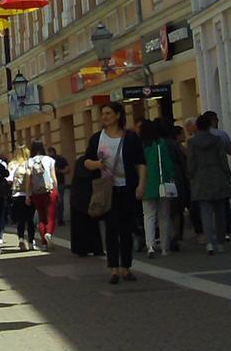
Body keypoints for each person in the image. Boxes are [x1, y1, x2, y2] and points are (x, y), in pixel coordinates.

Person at [84, 102, 146, 283]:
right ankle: (113, 268)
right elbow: (86, 161)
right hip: (106, 190)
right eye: (102, 113)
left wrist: (141, 184)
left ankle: (125, 267)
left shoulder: (130, 138)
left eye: (108, 113)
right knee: (111, 228)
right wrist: (97, 164)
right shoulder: (97, 138)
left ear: (118, 115)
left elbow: (140, 163)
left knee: (126, 229)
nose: (104, 116)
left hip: (127, 187)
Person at [187, 114, 231, 255]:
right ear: (209, 126)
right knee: (220, 212)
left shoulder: (192, 143)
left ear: (197, 127)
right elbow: (222, 159)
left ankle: (209, 243)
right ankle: (221, 242)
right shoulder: (217, 140)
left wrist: (191, 176)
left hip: (201, 178)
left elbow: (191, 163)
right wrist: (227, 174)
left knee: (205, 212)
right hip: (217, 176)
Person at [140, 119, 175, 258]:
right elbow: (167, 163)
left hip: (146, 185)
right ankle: (165, 247)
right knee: (164, 217)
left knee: (148, 216)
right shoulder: (160, 144)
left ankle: (150, 246)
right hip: (162, 184)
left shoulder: (141, 146)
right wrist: (171, 176)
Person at [203, 110, 231, 241]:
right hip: (221, 173)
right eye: (216, 119)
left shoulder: (197, 138)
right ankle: (226, 231)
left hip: (204, 176)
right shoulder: (222, 135)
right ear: (212, 121)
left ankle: (210, 234)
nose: (218, 122)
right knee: (223, 203)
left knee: (207, 206)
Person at [69, 152, 105, 258]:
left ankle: (81, 249)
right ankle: (96, 248)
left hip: (78, 198)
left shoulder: (81, 161)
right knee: (93, 224)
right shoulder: (93, 163)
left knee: (79, 225)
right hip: (89, 196)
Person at [27, 140, 58, 251]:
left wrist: (28, 194)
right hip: (49, 191)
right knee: (50, 216)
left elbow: (29, 179)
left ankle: (44, 244)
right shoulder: (49, 160)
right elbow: (54, 177)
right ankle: (49, 233)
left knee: (41, 217)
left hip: (36, 192)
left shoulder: (30, 161)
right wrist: (56, 189)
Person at [7, 147, 34, 251]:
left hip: (16, 195)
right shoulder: (30, 163)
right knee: (30, 220)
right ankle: (31, 242)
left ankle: (21, 239)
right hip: (30, 194)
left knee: (20, 220)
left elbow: (8, 180)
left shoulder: (12, 164)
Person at [49, 147, 69, 227]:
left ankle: (60, 219)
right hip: (50, 184)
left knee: (59, 201)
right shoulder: (48, 160)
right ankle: (54, 219)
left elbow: (67, 170)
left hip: (60, 183)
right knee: (53, 202)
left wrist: (58, 171)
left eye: (50, 153)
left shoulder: (61, 159)